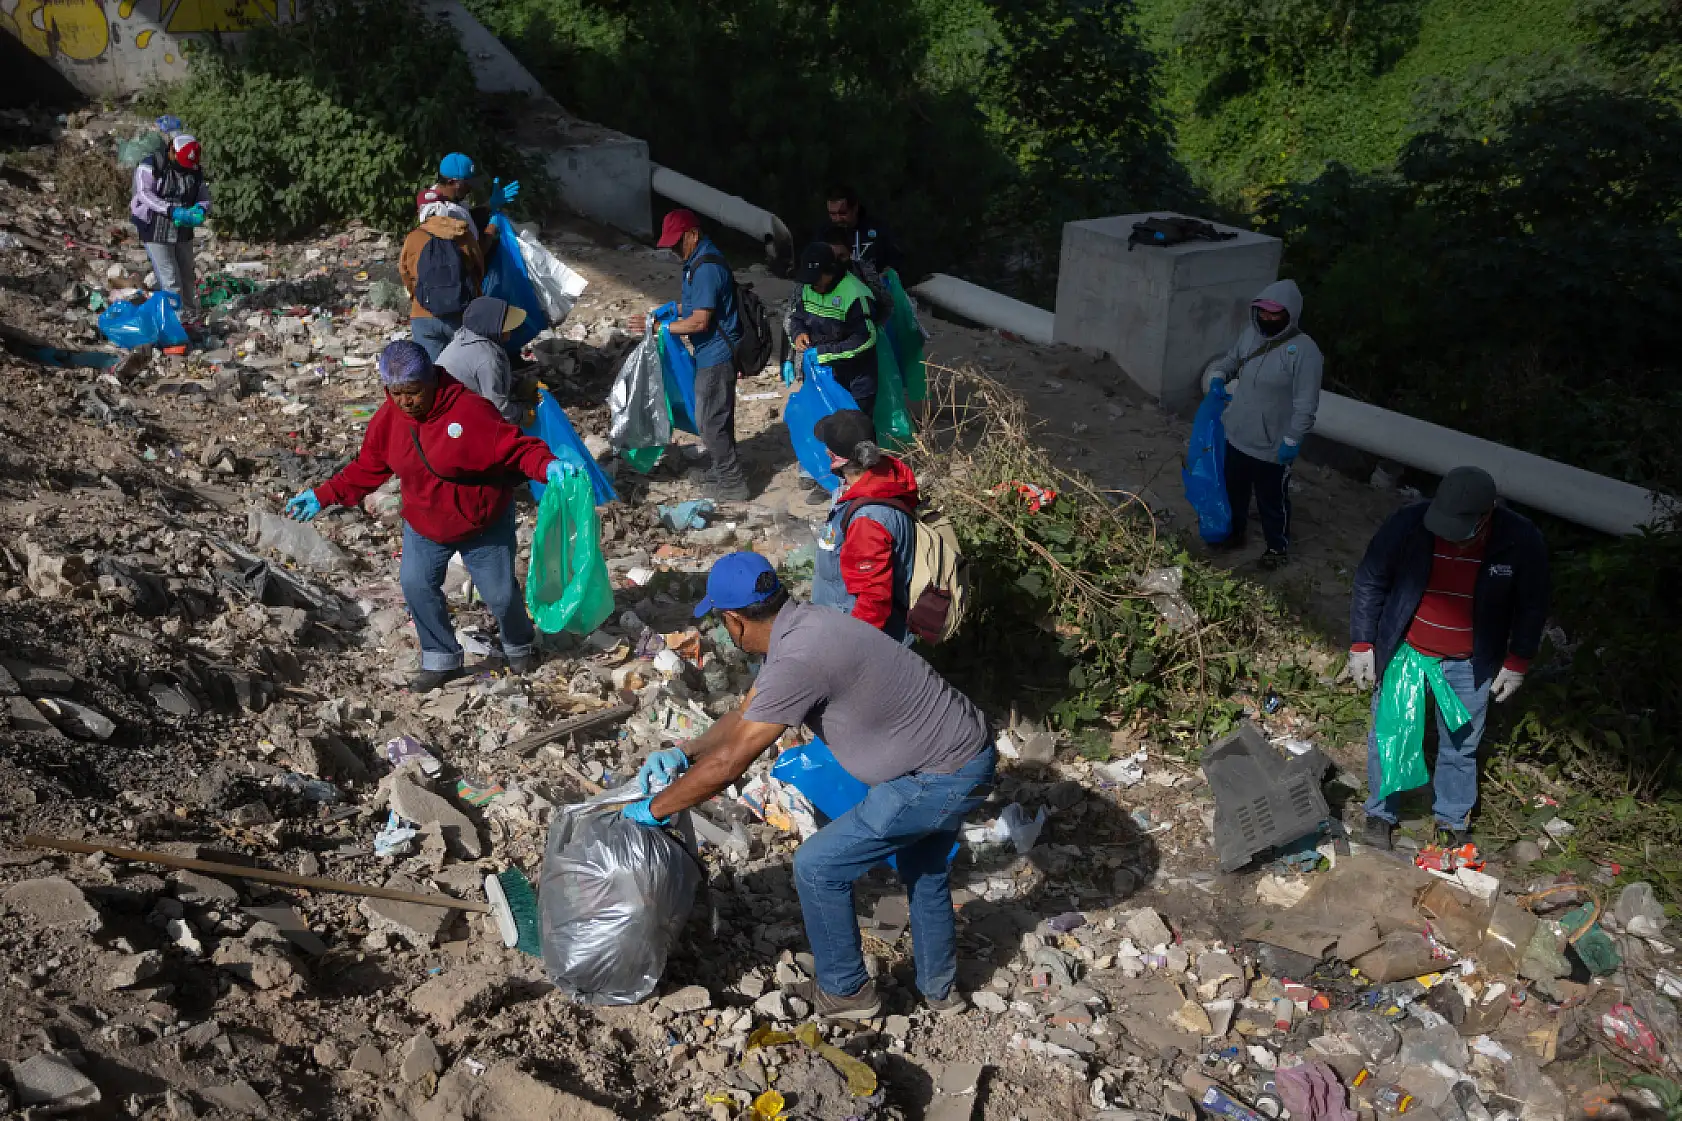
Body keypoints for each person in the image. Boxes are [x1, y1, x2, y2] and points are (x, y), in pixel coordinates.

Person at [624, 553, 995, 1019]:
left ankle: (846, 993)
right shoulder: (805, 625)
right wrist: (686, 751)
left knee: (819, 865)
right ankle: (939, 993)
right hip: (960, 747)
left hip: (939, 774)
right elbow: (745, 714)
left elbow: (731, 766)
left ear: (734, 620)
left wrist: (652, 810)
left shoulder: (799, 659)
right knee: (925, 865)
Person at [284, 341, 573, 691]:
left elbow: (515, 448)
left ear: (432, 382)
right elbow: (367, 468)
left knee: (499, 595)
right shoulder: (389, 420)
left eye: (413, 392)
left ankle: (518, 643)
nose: (406, 401)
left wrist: (548, 465)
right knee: (416, 584)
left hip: (481, 520)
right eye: (396, 393)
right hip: (425, 523)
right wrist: (322, 495)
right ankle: (441, 658)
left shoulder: (469, 411)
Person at [1348, 466, 1550, 850]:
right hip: (1407, 652)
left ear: (1486, 514)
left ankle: (1452, 820)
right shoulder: (1410, 524)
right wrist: (1362, 643)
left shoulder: (1519, 540)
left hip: (1468, 663)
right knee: (1389, 737)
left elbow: (1532, 605)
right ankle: (1379, 815)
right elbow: (1371, 578)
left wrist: (1518, 660)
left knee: (1461, 746)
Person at [1203, 279, 1324, 570]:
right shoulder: (1250, 336)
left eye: (1275, 313)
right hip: (1238, 433)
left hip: (1272, 445)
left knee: (1272, 500)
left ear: (1290, 314)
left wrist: (1293, 440)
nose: (1268, 318)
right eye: (1263, 312)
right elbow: (1233, 360)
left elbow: (1307, 404)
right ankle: (1235, 533)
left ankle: (1277, 546)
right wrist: (1220, 374)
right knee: (1235, 490)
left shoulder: (1305, 352)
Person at [628, 209, 747, 501]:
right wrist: (667, 312)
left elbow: (700, 321)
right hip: (711, 352)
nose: (672, 249)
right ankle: (723, 470)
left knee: (709, 420)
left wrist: (661, 326)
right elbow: (694, 306)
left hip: (716, 355)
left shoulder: (705, 267)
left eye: (676, 242)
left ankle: (733, 484)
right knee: (716, 415)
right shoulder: (697, 261)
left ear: (692, 235)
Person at [811, 409, 918, 644]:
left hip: (857, 639)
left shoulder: (868, 520)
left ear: (837, 459)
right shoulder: (882, 479)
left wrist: (852, 651)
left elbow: (872, 602)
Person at [789, 243, 880, 419]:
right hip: (823, 376)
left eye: (816, 279)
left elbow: (866, 338)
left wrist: (824, 353)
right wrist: (797, 334)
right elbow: (797, 318)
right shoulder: (809, 288)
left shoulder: (855, 294)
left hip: (855, 379)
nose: (813, 285)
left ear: (831, 271)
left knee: (854, 432)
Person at [129, 133, 211, 318]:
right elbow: (144, 194)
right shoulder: (151, 165)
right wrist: (171, 210)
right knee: (170, 279)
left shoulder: (194, 170)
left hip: (182, 229)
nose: (184, 169)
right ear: (172, 151)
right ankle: (177, 321)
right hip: (155, 229)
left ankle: (192, 316)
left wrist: (200, 209)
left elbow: (203, 195)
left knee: (187, 276)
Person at [401, 190, 488, 361]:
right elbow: (479, 269)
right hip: (462, 313)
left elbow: (406, 275)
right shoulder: (463, 234)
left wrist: (418, 298)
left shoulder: (413, 238)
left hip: (423, 315)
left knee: (433, 374)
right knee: (465, 371)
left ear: (420, 212)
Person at [437, 296, 531, 424]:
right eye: (506, 326)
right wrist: (522, 415)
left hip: (447, 405)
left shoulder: (466, 336)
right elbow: (497, 407)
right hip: (455, 418)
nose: (511, 330)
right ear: (492, 328)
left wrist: (519, 382)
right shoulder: (487, 359)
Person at [821, 186, 902, 276]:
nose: (838, 219)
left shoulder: (878, 229)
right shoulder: (824, 234)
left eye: (843, 213)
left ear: (855, 208)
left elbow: (896, 261)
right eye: (832, 214)